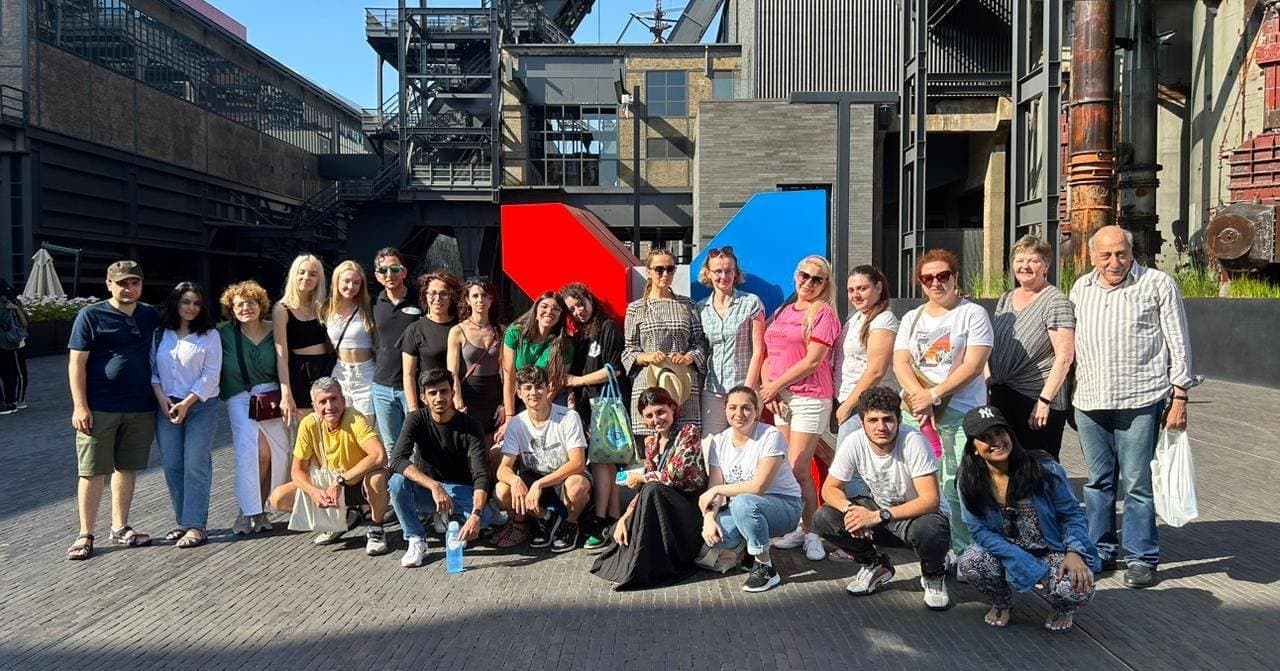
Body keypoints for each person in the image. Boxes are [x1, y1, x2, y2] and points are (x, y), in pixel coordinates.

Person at [1070, 225, 1195, 588]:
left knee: (1138, 483)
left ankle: (1141, 557)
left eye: (1121, 253)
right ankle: (1101, 551)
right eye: (1106, 255)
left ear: (1131, 252)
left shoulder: (1157, 284)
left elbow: (1179, 343)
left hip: (1139, 400)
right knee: (1097, 483)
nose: (1115, 262)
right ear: (1092, 256)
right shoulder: (1081, 288)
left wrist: (1180, 396)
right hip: (1090, 400)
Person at [956, 404, 1099, 630]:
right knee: (971, 560)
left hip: (1053, 550)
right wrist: (1024, 563)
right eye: (985, 437)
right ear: (974, 447)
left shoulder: (1045, 468)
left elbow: (1072, 515)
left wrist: (1074, 552)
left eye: (999, 432)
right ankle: (1001, 601)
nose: (996, 441)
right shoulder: (968, 480)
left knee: (1078, 587)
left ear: (1009, 434)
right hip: (1006, 551)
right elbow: (979, 530)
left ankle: (1062, 607)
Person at [893, 248, 993, 559]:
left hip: (961, 412)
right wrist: (919, 398)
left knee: (959, 484)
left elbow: (974, 365)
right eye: (927, 278)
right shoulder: (912, 318)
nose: (936, 283)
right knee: (925, 483)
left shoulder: (972, 314)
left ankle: (966, 550)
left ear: (954, 277)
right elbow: (900, 362)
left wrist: (933, 395)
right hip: (918, 415)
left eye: (942, 276)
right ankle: (936, 546)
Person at [812, 387, 951, 610]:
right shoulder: (854, 441)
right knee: (824, 517)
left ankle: (934, 573)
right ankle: (874, 564)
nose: (881, 427)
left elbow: (930, 501)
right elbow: (830, 489)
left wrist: (876, 516)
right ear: (862, 423)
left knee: (931, 530)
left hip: (919, 518)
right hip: (882, 515)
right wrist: (851, 512)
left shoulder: (913, 441)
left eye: (888, 419)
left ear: (899, 420)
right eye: (873, 420)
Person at [65, 260, 160, 560]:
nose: (129, 288)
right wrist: (80, 406)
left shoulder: (150, 314)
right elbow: (76, 363)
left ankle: (120, 527)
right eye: (122, 283)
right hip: (100, 407)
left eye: (134, 282)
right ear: (109, 285)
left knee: (126, 467)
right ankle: (85, 534)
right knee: (92, 470)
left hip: (140, 406)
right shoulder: (90, 315)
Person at [762, 255, 841, 562]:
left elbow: (813, 360)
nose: (808, 283)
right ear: (795, 275)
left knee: (798, 467)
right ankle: (799, 526)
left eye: (816, 279)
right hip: (781, 398)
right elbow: (769, 354)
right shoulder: (783, 310)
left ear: (825, 284)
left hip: (810, 397)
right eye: (804, 276)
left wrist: (774, 386)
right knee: (787, 468)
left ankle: (813, 532)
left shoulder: (823, 313)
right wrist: (769, 387)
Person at [590, 387, 707, 589]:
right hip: (660, 504)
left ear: (672, 408)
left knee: (653, 489)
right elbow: (644, 488)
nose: (656, 419)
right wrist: (625, 517)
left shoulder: (688, 432)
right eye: (649, 416)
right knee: (638, 506)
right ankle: (637, 563)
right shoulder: (652, 443)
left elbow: (676, 474)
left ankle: (659, 563)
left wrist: (642, 477)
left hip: (686, 510)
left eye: (661, 412)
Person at [268, 377, 391, 555]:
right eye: (323, 402)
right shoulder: (309, 424)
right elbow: (297, 470)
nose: (329, 406)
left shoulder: (354, 418)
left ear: (343, 400)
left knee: (377, 478)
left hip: (358, 483)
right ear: (314, 406)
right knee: (278, 498)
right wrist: (313, 492)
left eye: (334, 399)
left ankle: (377, 528)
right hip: (329, 485)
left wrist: (341, 480)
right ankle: (343, 519)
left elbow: (379, 456)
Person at [700, 386, 804, 593]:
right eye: (733, 407)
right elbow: (714, 490)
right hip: (746, 506)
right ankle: (752, 548)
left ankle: (765, 568)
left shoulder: (770, 435)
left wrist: (718, 489)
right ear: (725, 410)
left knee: (743, 502)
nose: (739, 414)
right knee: (720, 535)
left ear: (756, 411)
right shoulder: (719, 442)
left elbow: (758, 486)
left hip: (784, 505)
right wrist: (708, 519)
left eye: (746, 408)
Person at [389, 369, 491, 568]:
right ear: (423, 398)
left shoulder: (471, 426)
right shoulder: (416, 419)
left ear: (453, 393)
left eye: (444, 391)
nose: (439, 398)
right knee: (396, 482)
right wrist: (434, 486)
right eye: (432, 393)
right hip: (428, 490)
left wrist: (476, 514)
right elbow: (397, 460)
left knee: (484, 518)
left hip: (459, 490)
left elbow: (481, 474)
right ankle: (416, 538)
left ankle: (453, 518)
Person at [987, 235, 1076, 460]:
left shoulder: (1055, 301)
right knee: (1008, 465)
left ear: (1046, 265)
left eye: (1033, 260)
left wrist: (1044, 401)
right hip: (1004, 395)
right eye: (1019, 260)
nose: (1025, 266)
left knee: (1038, 467)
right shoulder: (1006, 298)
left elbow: (1065, 357)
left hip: (1037, 400)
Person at [150, 282, 222, 549]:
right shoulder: (160, 333)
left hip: (201, 404)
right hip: (167, 403)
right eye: (186, 302)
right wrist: (161, 397)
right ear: (176, 303)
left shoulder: (210, 335)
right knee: (172, 463)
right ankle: (183, 521)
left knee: (195, 463)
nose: (191, 308)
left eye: (196, 303)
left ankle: (196, 525)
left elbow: (211, 375)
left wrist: (188, 403)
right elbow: (153, 370)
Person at [218, 280, 292, 536]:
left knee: (278, 453)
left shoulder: (275, 329)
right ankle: (247, 510)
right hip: (240, 397)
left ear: (261, 305)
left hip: (271, 396)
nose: (245, 308)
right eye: (239, 305)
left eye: (251, 302)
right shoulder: (224, 333)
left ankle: (263, 508)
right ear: (231, 309)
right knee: (252, 452)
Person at [492, 366, 591, 553]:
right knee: (501, 490)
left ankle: (570, 524)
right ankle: (546, 519)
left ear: (548, 388)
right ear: (519, 393)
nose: (534, 392)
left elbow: (578, 463)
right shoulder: (516, 424)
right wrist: (515, 480)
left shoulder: (568, 416)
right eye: (528, 388)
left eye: (539, 386)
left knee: (576, 487)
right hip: (535, 474)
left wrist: (540, 484)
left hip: (565, 476)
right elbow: (503, 468)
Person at [560, 282, 628, 550]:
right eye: (572, 309)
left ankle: (602, 519)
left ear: (590, 298)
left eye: (580, 303)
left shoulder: (608, 327)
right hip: (589, 407)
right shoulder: (581, 335)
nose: (578, 311)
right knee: (605, 463)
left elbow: (614, 370)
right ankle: (612, 518)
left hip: (606, 405)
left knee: (603, 462)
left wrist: (576, 381)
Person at [621, 249, 707, 434]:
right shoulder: (635, 308)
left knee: (686, 441)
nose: (665, 274)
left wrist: (688, 357)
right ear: (648, 272)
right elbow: (628, 350)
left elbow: (700, 343)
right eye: (659, 269)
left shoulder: (688, 305)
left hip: (682, 383)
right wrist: (647, 356)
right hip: (649, 383)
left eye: (670, 269)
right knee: (652, 443)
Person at [695, 246, 765, 436]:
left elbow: (759, 351)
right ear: (708, 273)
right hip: (713, 390)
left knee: (745, 444)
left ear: (736, 273)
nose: (723, 276)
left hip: (744, 385)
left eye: (728, 271)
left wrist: (747, 391)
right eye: (718, 271)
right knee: (710, 446)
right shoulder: (701, 308)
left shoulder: (751, 303)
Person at [832, 265, 898, 455]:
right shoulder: (855, 318)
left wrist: (847, 406)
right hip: (849, 400)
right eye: (851, 290)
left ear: (878, 287)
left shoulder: (884, 320)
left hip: (868, 405)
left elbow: (876, 370)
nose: (856, 295)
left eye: (862, 288)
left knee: (846, 465)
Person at [499, 291, 574, 435]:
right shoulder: (515, 333)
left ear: (561, 314)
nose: (549, 311)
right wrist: (509, 417)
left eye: (556, 309)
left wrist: (539, 408)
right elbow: (509, 377)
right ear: (535, 310)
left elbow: (558, 381)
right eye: (544, 306)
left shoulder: (565, 344)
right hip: (520, 395)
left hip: (549, 397)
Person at [369, 247, 421, 452]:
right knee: (392, 448)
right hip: (382, 386)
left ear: (404, 272)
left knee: (417, 447)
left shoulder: (420, 299)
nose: (389, 274)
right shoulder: (374, 302)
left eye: (395, 269)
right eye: (383, 270)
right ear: (377, 275)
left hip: (413, 386)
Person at [273, 254, 330, 426]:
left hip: (327, 368)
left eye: (313, 274)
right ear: (294, 275)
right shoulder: (282, 309)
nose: (306, 277)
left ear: (319, 279)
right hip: (300, 373)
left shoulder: (323, 307)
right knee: (305, 431)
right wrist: (286, 393)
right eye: (302, 272)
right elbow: (281, 356)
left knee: (331, 429)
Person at [447, 277, 503, 449]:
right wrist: (458, 403)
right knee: (467, 447)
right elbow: (452, 372)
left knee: (491, 446)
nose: (480, 300)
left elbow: (508, 372)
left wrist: (504, 404)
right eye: (475, 296)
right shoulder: (458, 331)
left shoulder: (501, 331)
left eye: (485, 295)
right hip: (468, 396)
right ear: (467, 300)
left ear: (491, 300)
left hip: (493, 397)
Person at [401, 270, 460, 416]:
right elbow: (408, 375)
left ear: (452, 296)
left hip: (461, 402)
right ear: (425, 295)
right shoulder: (415, 329)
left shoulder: (462, 326)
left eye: (443, 294)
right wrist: (413, 409)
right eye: (432, 293)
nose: (437, 298)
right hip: (430, 404)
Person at [326, 260, 379, 421]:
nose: (351, 286)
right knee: (340, 425)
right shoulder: (326, 309)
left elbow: (379, 343)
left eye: (356, 283)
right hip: (340, 373)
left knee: (365, 425)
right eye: (346, 281)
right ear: (337, 281)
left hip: (365, 374)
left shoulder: (368, 309)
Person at [0, 279, 28, 414]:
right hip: (13, 342)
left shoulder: (2, 305)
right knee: (10, 373)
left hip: (3, 342)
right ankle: (13, 401)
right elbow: (26, 321)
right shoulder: (14, 301)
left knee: (11, 373)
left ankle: (5, 403)